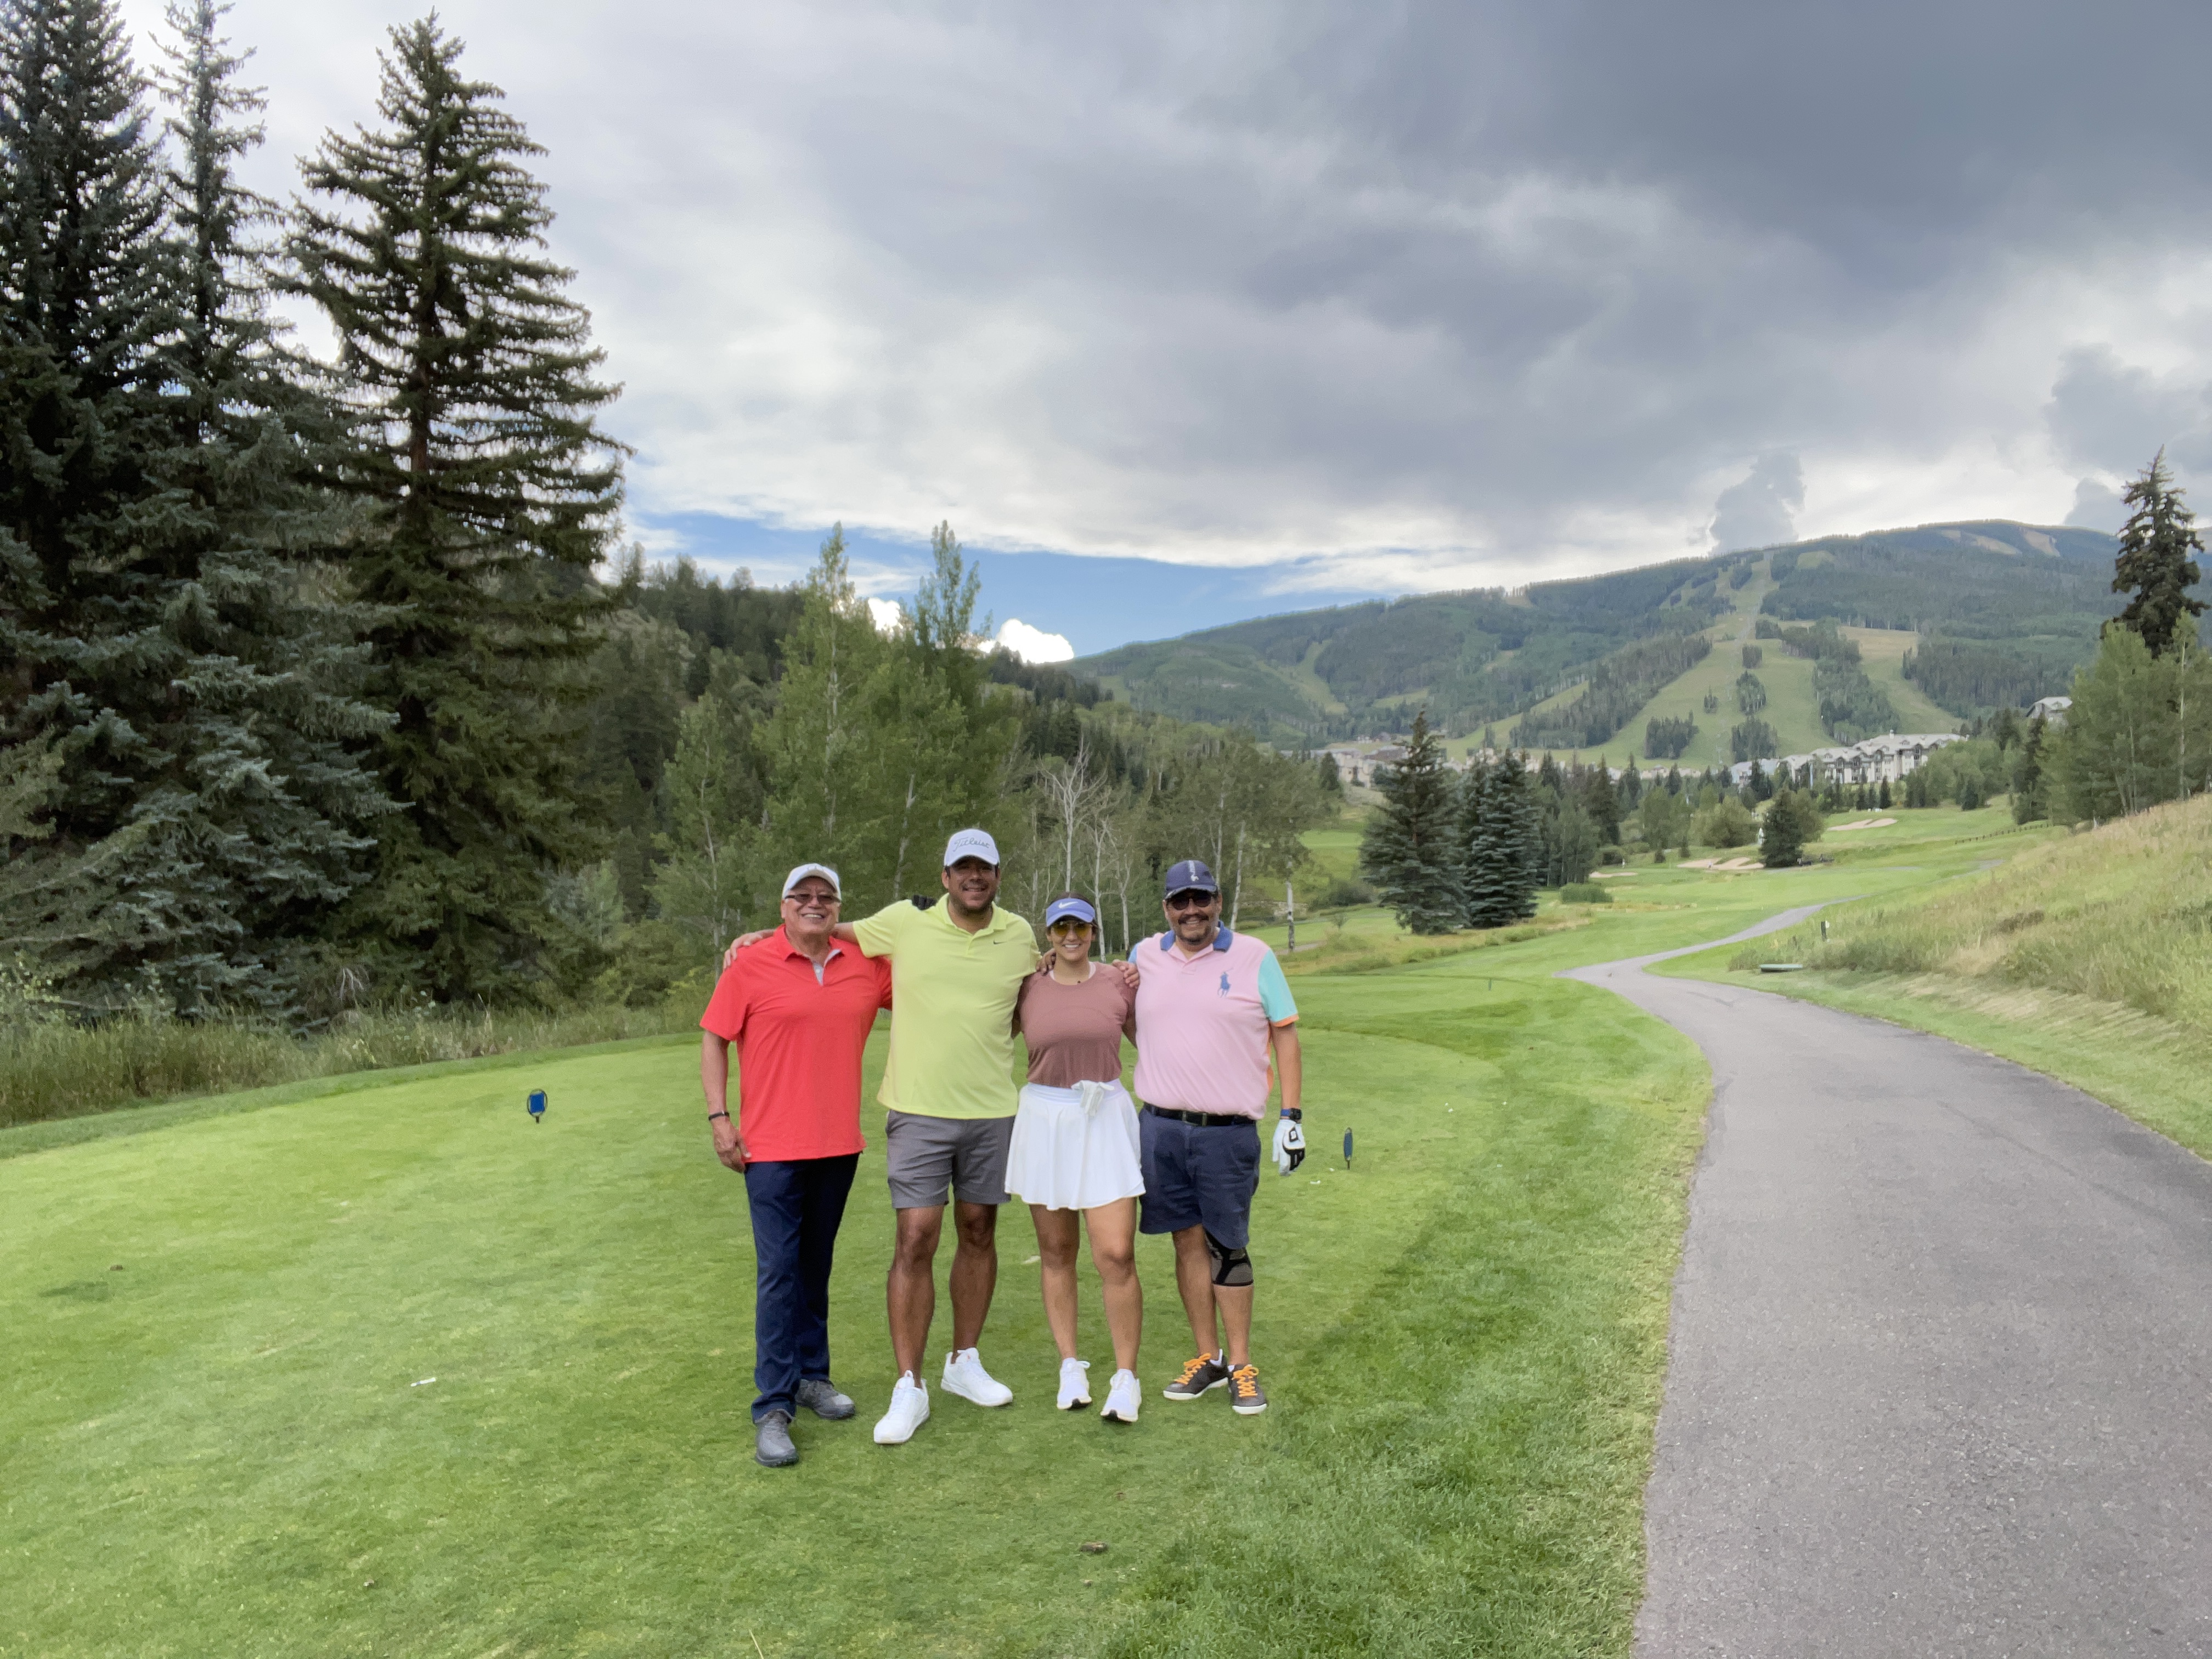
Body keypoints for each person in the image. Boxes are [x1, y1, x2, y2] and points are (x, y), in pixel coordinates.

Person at [725, 828, 1038, 1446]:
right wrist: (762, 935)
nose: (974, 877)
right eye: (962, 868)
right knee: (916, 1236)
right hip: (918, 1112)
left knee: (979, 1229)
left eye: (984, 868)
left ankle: (964, 1362)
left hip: (992, 1111)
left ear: (998, 875)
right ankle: (909, 1385)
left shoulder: (1021, 935)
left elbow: (1040, 988)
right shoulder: (903, 922)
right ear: (945, 877)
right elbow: (823, 926)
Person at [699, 862, 892, 1468]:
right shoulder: (750, 964)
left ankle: (812, 1376)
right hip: (771, 1150)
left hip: (838, 1145)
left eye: (826, 896)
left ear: (839, 908)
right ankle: (774, 1407)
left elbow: (931, 968)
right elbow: (714, 1038)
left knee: (815, 1264)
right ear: (783, 906)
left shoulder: (866, 965)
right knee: (779, 1272)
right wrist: (719, 1117)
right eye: (802, 895)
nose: (815, 903)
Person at [1131, 858, 1301, 1417]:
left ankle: (1243, 1365)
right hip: (1160, 1128)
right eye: (1180, 901)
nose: (1192, 911)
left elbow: (1285, 1034)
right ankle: (1208, 1358)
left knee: (1227, 1245)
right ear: (1166, 908)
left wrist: (1292, 1115)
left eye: (1201, 899)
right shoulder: (1143, 956)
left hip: (1226, 1134)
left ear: (1218, 902)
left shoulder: (1255, 956)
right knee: (1185, 1242)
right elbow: (1117, 1009)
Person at [1008, 893, 1144, 1424]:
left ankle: (1126, 1377)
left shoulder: (1118, 981)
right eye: (1061, 927)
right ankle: (1071, 1366)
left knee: (1116, 1254)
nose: (1071, 936)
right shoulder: (1028, 986)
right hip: (1046, 1120)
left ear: (1093, 931)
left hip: (1104, 1116)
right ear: (1048, 934)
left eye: (1080, 927)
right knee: (1056, 1251)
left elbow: (1152, 1044)